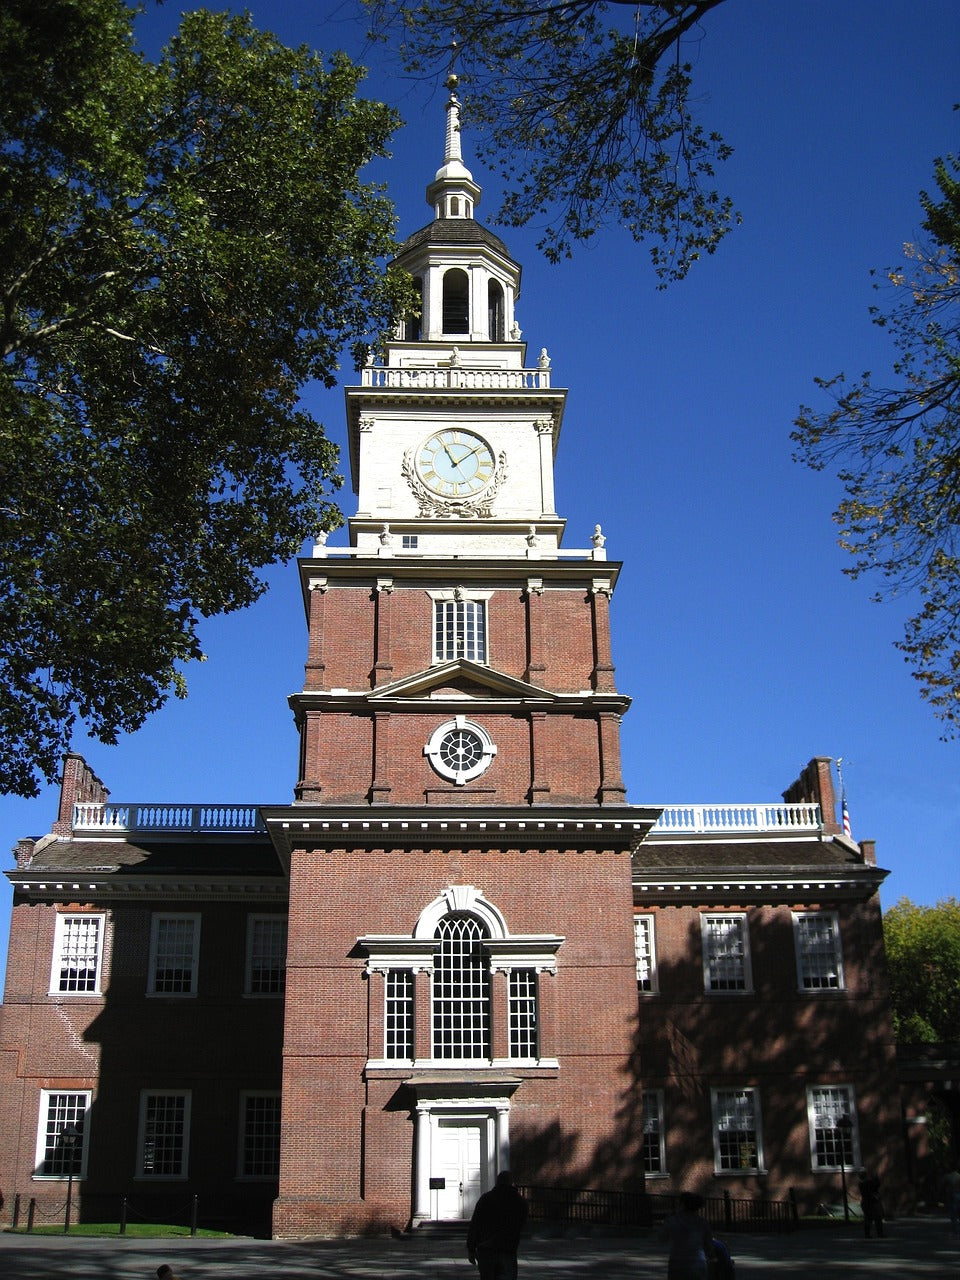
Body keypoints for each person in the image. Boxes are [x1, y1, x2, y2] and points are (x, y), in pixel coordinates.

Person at [466, 1170, 529, 1280]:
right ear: (512, 1183)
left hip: (486, 1249)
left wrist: (471, 1249)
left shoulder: (485, 1199)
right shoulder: (519, 1202)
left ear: (497, 1182)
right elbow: (522, 1224)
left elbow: (475, 1224)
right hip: (508, 1249)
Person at [657, 1192, 715, 1280]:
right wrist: (711, 1257)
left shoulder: (672, 1220)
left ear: (682, 1205)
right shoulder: (702, 1222)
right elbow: (709, 1246)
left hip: (677, 1262)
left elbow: (662, 1238)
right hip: (698, 1262)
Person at [858, 1171, 884, 1238]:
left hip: (866, 1202)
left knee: (868, 1218)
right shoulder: (868, 1183)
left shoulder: (861, 1184)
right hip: (872, 1202)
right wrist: (876, 1178)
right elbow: (877, 1185)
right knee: (877, 1218)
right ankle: (879, 1233)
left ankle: (867, 1234)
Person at [942, 1163, 960, 1237]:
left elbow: (942, 1186)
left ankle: (956, 1231)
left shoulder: (947, 1176)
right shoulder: (959, 1176)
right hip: (959, 1194)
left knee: (953, 1215)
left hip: (952, 1195)